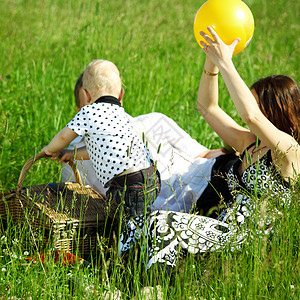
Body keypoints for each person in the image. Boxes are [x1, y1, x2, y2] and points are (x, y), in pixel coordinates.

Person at [118, 27, 299, 273]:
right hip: (219, 231)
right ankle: (125, 281)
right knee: (138, 222)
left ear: (273, 109)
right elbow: (207, 107)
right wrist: (211, 61)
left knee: (161, 223)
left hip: (246, 241)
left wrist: (226, 61)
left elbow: (250, 115)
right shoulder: (251, 144)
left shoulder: (289, 151)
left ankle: (155, 290)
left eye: (254, 100)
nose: (245, 105)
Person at [62, 73, 227, 211]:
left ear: (120, 97)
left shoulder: (154, 121)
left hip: (204, 183)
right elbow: (85, 207)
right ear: (80, 113)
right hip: (157, 214)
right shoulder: (75, 155)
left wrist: (237, 151)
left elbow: (204, 154)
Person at [41, 59, 161, 225]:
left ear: (87, 95)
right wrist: (70, 154)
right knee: (140, 221)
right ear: (120, 95)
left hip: (127, 186)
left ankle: (130, 249)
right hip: (150, 177)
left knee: (126, 228)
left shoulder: (88, 112)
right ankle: (147, 240)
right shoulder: (120, 114)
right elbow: (98, 151)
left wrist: (49, 149)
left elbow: (63, 137)